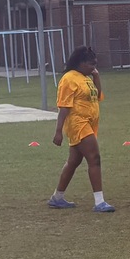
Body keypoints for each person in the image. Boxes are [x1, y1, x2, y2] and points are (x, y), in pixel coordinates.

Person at [47, 46, 114, 212]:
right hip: (78, 123)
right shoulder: (69, 79)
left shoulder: (85, 77)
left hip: (89, 123)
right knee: (94, 158)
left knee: (73, 162)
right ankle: (99, 202)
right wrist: (58, 131)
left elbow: (97, 96)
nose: (93, 67)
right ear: (80, 63)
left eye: (95, 64)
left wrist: (96, 76)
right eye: (91, 64)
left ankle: (57, 197)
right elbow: (63, 106)